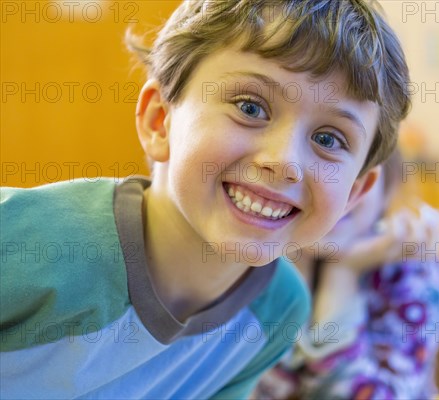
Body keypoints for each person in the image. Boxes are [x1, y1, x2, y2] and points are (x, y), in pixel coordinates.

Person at [0, 0, 411, 399]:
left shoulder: (277, 311)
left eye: (328, 139)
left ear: (354, 193)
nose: (284, 162)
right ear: (159, 121)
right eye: (250, 107)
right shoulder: (21, 240)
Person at [254, 151, 439, 400]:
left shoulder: (413, 267)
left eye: (357, 174)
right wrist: (295, 265)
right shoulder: (254, 259)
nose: (337, 193)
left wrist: (343, 274)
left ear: (386, 190)